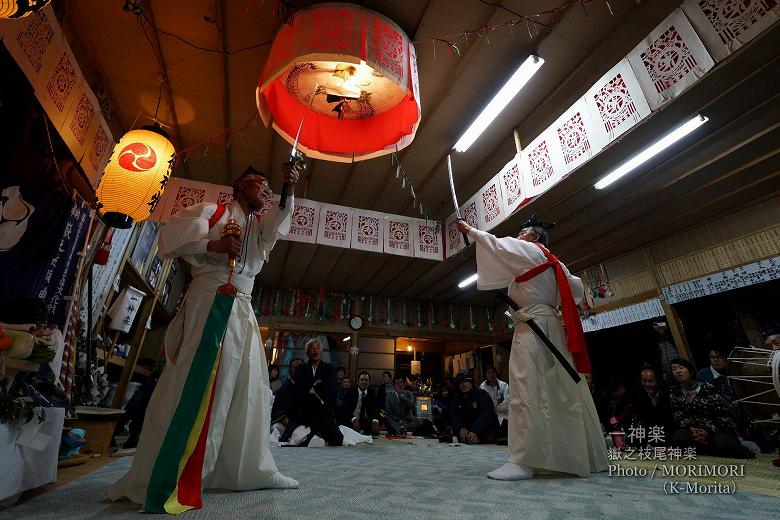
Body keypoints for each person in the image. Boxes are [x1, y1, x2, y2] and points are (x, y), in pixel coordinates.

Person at [108, 163, 301, 513]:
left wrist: (288, 187)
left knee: (249, 387)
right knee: (204, 384)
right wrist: (213, 243)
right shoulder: (212, 210)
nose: (266, 191)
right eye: (262, 184)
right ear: (241, 184)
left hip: (242, 305)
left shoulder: (257, 228)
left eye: (270, 188)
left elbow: (278, 221)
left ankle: (250, 470)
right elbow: (171, 240)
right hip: (212, 299)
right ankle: (172, 475)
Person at [456, 218, 607, 480]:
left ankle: (523, 460)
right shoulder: (556, 262)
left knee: (526, 388)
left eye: (522, 232)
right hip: (551, 326)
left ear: (534, 237)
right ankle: (585, 456)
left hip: (532, 328)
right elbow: (576, 289)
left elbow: (498, 246)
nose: (518, 236)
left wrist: (470, 231)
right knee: (560, 390)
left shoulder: (530, 251)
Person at [669, 357, 753, 458]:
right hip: (693, 432)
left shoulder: (708, 388)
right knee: (679, 436)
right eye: (674, 369)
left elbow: (724, 417)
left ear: (691, 371)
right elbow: (678, 417)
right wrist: (692, 429)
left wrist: (707, 431)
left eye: (681, 368)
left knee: (723, 442)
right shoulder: (674, 392)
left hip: (716, 431)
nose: (678, 371)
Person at [281, 338, 344, 446]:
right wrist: (317, 383)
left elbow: (331, 388)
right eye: (312, 348)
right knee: (287, 438)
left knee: (337, 438)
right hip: (304, 411)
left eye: (318, 348)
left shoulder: (329, 368)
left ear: (322, 351)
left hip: (322, 410)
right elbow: (299, 389)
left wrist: (311, 384)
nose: (315, 351)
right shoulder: (301, 368)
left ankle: (317, 435)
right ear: (307, 352)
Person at [452, 370, 500, 444]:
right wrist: (461, 427)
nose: (463, 385)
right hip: (467, 430)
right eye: (461, 382)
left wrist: (475, 431)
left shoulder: (482, 395)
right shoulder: (456, 398)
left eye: (465, 381)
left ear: (471, 382)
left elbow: (486, 415)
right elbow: (454, 415)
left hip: (484, 429)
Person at [630, 365, 673, 446]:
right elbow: (641, 418)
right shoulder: (637, 394)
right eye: (644, 381)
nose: (647, 384)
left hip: (667, 428)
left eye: (651, 381)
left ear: (658, 380)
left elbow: (670, 418)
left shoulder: (667, 392)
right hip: (649, 429)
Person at [340, 371, 380, 435]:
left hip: (366, 421)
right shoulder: (350, 392)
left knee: (374, 429)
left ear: (369, 383)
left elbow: (376, 409)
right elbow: (344, 409)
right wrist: (353, 418)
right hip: (352, 420)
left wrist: (375, 420)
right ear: (358, 381)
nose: (364, 382)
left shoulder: (372, 393)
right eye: (362, 380)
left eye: (366, 380)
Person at [271, 358, 303, 427]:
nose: (296, 370)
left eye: (299, 367)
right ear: (289, 370)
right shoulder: (284, 387)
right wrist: (284, 418)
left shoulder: (308, 386)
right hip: (286, 422)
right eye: (293, 367)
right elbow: (276, 407)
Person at [478, 366, 510, 436]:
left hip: (504, 414)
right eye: (488, 373)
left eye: (492, 372)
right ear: (486, 375)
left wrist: (493, 405)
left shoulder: (504, 385)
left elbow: (507, 403)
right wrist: (498, 402)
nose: (491, 375)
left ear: (496, 373)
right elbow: (484, 405)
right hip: (489, 415)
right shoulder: (482, 387)